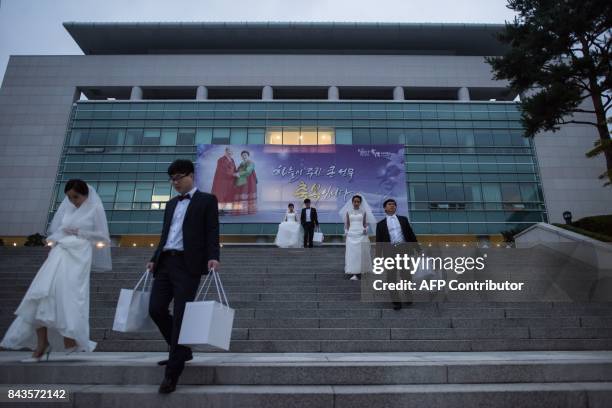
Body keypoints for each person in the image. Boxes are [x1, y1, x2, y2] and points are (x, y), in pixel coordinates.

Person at [1, 179, 111, 362]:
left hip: (79, 256)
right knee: (41, 294)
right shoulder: (67, 208)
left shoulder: (95, 209)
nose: (73, 201)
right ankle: (41, 345)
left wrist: (79, 232)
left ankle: (70, 339)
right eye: (69, 197)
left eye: (76, 197)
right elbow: (58, 229)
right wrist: (55, 238)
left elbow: (103, 237)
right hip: (60, 252)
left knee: (68, 296)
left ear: (85, 194)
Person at [147, 159, 220, 394]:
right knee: (156, 309)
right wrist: (154, 257)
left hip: (188, 265)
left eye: (178, 178)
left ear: (191, 175)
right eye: (172, 179)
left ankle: (172, 374)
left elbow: (212, 230)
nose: (174, 183)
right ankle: (181, 351)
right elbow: (165, 234)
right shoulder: (170, 204)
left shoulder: (207, 200)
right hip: (165, 262)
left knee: (180, 316)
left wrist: (213, 256)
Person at [375, 198, 419, 310]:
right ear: (385, 208)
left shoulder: (403, 220)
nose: (392, 206)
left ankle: (408, 296)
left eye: (394, 204)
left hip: (404, 250)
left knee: (406, 275)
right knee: (391, 277)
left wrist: (418, 249)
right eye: (389, 204)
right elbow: (379, 241)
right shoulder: (380, 224)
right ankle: (396, 301)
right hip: (389, 252)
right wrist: (378, 257)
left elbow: (410, 234)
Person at [339, 195, 376, 280]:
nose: (356, 203)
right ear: (352, 202)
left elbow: (365, 223)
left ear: (360, 203)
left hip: (361, 234)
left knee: (361, 253)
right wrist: (346, 231)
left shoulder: (364, 211)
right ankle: (354, 272)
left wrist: (366, 229)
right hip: (351, 234)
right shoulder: (348, 212)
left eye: (358, 201)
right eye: (355, 201)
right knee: (352, 254)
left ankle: (362, 270)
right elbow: (347, 224)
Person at [211, 147, 237, 212]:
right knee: (221, 194)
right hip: (222, 180)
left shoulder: (232, 159)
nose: (230, 153)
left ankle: (226, 209)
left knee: (228, 194)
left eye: (231, 152)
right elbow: (222, 170)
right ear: (225, 152)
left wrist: (237, 173)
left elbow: (234, 169)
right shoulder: (221, 160)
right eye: (228, 151)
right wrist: (233, 174)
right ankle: (219, 209)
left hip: (230, 180)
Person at [234, 150, 257, 215]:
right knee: (242, 192)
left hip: (249, 181)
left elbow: (248, 171)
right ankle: (242, 210)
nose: (244, 156)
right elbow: (238, 170)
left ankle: (248, 210)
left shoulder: (250, 162)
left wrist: (239, 174)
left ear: (248, 156)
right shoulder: (242, 163)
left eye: (245, 155)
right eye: (243, 155)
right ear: (241, 156)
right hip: (242, 180)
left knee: (247, 192)